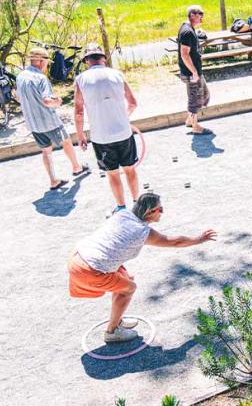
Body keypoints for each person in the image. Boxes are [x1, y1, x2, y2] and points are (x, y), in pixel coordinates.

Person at [69, 192, 218, 342]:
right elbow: (175, 242)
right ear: (149, 212)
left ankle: (117, 319)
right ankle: (112, 332)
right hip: (90, 269)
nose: (162, 212)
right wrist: (199, 239)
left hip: (77, 257)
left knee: (126, 279)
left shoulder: (123, 214)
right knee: (129, 288)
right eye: (160, 209)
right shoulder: (142, 232)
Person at [74, 44, 140, 213]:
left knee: (112, 173)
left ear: (86, 61)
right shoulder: (117, 74)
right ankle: (138, 204)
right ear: (103, 58)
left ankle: (121, 208)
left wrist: (80, 135)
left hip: (101, 137)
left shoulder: (81, 80)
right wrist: (122, 118)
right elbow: (133, 103)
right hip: (124, 133)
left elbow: (79, 112)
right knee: (130, 170)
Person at [15, 47, 87, 190]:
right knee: (66, 141)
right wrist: (58, 102)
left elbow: (18, 97)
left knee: (46, 151)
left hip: (33, 123)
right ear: (41, 62)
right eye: (47, 62)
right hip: (48, 121)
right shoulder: (41, 78)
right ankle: (76, 167)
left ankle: (53, 180)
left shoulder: (20, 76)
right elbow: (47, 101)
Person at [178, 5, 212, 135]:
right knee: (195, 100)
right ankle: (195, 126)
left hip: (195, 71)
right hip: (191, 73)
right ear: (192, 15)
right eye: (200, 14)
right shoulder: (187, 32)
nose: (202, 17)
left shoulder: (189, 29)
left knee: (205, 95)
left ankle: (189, 120)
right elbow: (184, 54)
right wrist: (194, 72)